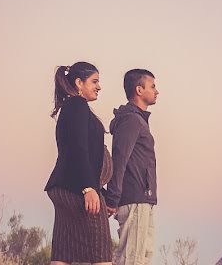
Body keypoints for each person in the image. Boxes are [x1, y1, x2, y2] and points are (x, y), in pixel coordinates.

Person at [45, 61, 114, 265]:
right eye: (94, 81)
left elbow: (87, 153)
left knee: (63, 251)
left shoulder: (72, 108)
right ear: (78, 83)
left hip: (65, 186)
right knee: (100, 249)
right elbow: (78, 148)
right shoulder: (77, 105)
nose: (99, 86)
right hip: (77, 189)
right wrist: (88, 188)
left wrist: (101, 190)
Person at [106, 69, 159, 265]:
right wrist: (112, 197)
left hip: (143, 199)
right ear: (139, 89)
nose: (156, 91)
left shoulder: (138, 120)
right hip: (134, 197)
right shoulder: (131, 120)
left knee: (142, 256)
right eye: (152, 86)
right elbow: (119, 159)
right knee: (131, 258)